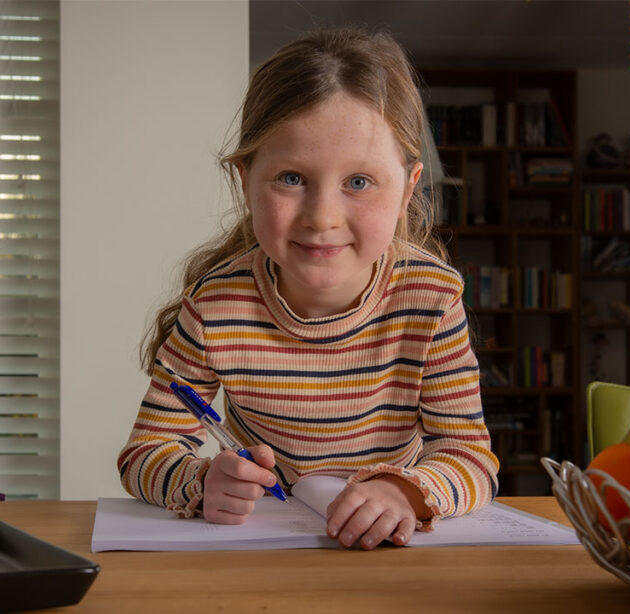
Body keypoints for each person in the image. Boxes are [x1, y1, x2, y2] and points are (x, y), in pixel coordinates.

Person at [118, 27, 499, 550]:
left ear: (408, 189)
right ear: (245, 181)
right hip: (268, 556)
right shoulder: (215, 305)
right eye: (292, 178)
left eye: (359, 182)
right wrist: (202, 482)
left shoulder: (431, 298)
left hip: (396, 558)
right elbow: (145, 454)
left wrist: (404, 491)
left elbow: (470, 458)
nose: (322, 218)